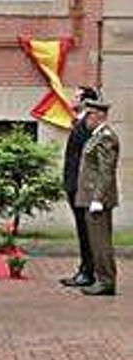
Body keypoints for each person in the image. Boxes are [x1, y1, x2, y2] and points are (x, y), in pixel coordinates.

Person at [75, 98, 120, 296]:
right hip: (90, 196)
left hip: (97, 199)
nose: (86, 119)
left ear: (100, 115)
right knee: (96, 241)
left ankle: (106, 281)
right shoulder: (96, 136)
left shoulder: (106, 137)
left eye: (89, 115)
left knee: (101, 242)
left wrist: (98, 199)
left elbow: (106, 171)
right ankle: (103, 279)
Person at [59, 86, 99, 288]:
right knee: (82, 229)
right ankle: (85, 269)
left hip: (81, 187)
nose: (72, 99)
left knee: (86, 231)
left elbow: (87, 160)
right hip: (74, 185)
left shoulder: (87, 125)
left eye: (76, 96)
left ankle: (88, 272)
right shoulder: (80, 123)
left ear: (86, 101)